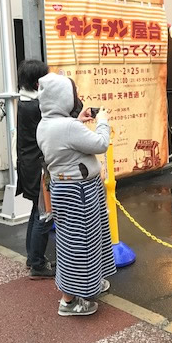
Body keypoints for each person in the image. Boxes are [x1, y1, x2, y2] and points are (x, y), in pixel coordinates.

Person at [37, 73, 115, 317]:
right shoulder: (67, 126)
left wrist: (78, 121)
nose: (77, 98)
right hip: (80, 190)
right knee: (79, 244)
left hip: (68, 188)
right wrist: (102, 120)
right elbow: (101, 144)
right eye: (73, 94)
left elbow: (67, 143)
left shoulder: (46, 124)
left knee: (79, 240)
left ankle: (87, 285)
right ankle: (69, 301)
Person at [15, 59, 54, 278]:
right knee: (44, 213)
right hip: (38, 167)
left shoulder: (24, 102)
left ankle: (33, 258)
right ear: (38, 82)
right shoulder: (35, 107)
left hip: (28, 165)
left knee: (35, 211)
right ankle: (37, 264)